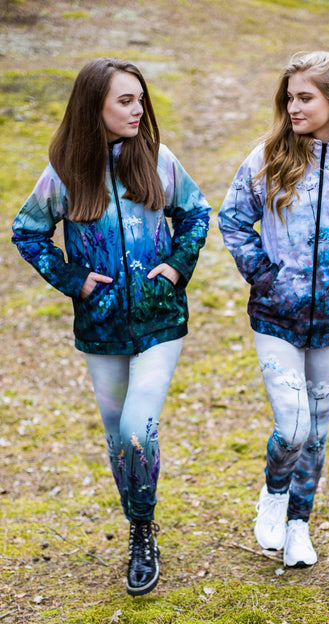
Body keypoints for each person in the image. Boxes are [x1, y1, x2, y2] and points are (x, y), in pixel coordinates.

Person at [12, 57, 210, 595]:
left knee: (137, 429)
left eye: (140, 99)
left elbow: (196, 213)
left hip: (159, 320)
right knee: (117, 436)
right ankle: (138, 522)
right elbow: (27, 232)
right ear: (92, 106)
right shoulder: (65, 172)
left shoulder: (159, 160)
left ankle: (143, 529)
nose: (138, 109)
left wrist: (176, 266)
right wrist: (72, 279)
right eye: (125, 100)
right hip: (100, 329)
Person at [218, 51, 329, 568]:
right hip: (277, 317)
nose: (293, 107)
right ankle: (274, 493)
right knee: (294, 427)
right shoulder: (267, 157)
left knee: (317, 433)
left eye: (305, 97)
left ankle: (299, 524)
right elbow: (233, 219)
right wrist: (265, 276)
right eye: (290, 98)